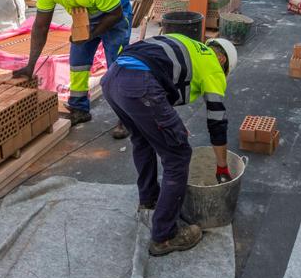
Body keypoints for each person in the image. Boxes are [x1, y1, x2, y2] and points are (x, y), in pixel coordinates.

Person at [101, 34, 238, 257]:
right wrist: (222, 167)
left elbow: (159, 77)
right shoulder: (213, 64)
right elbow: (217, 119)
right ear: (223, 60)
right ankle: (165, 235)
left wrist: (170, 123)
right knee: (179, 154)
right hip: (139, 84)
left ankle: (150, 199)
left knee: (143, 140)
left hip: (112, 78)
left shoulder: (190, 45)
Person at [13, 0, 132, 139]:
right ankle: (80, 109)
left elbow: (115, 14)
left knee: (117, 68)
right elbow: (40, 28)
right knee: (77, 62)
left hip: (115, 14)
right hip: (84, 16)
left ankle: (126, 117)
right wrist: (30, 65)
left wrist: (92, 34)